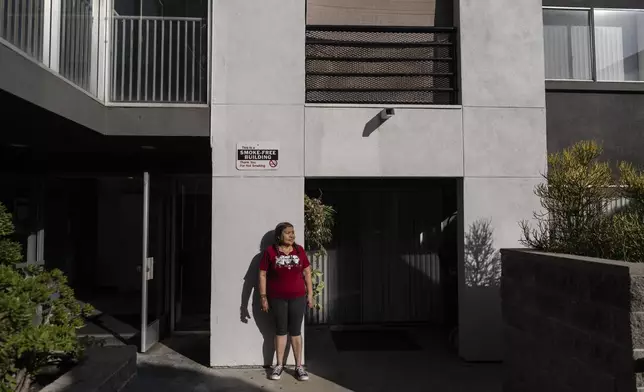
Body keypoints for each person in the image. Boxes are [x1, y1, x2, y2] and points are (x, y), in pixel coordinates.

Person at [259, 222, 314, 381]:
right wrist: (263, 297)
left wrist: (310, 294)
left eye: (293, 232)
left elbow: (307, 273)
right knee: (281, 330)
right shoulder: (270, 252)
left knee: (296, 331)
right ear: (279, 235)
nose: (292, 235)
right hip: (277, 298)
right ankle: (279, 365)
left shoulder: (299, 250)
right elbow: (262, 274)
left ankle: (299, 367)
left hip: (297, 297)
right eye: (288, 232)